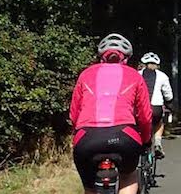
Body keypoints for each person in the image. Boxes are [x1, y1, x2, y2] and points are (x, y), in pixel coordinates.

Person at [69, 34, 152, 194]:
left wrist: (79, 133)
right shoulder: (134, 75)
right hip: (124, 136)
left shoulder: (85, 74)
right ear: (126, 58)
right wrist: (146, 139)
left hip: (87, 137)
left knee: (89, 188)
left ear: (101, 57)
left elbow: (74, 114)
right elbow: (145, 116)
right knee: (128, 177)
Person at [138, 52, 173, 159]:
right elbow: (168, 95)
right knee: (159, 123)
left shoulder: (137, 74)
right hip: (156, 107)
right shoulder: (162, 76)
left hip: (141, 108)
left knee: (138, 126)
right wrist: (169, 105)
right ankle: (158, 143)